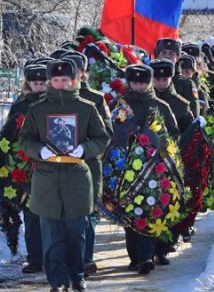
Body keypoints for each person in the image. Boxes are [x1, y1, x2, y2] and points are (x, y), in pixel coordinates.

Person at [19, 59, 110, 292]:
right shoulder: (37, 109)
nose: (60, 84)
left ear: (75, 80)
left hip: (77, 176)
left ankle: (77, 276)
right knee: (51, 234)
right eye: (56, 80)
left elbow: (102, 138)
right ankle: (57, 281)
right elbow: (25, 139)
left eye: (65, 80)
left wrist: (84, 150)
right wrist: (40, 150)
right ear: (50, 80)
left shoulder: (87, 108)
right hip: (47, 178)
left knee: (76, 232)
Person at [115, 64, 179, 276]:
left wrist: (159, 145)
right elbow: (112, 132)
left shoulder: (159, 106)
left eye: (143, 83)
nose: (139, 86)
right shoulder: (121, 105)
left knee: (151, 209)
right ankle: (135, 257)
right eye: (135, 82)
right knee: (130, 209)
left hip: (155, 168)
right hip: (126, 169)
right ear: (128, 82)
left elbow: (173, 135)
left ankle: (145, 257)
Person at [0, 63, 48, 273]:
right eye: (35, 83)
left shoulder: (54, 102)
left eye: (42, 83)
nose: (39, 87)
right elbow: (10, 134)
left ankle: (52, 256)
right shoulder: (20, 105)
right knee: (31, 214)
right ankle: (35, 258)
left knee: (50, 217)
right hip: (25, 166)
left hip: (50, 164)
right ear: (27, 83)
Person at [62, 51, 112, 277]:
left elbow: (106, 135)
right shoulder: (51, 99)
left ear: (84, 72)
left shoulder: (96, 99)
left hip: (87, 166)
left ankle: (85, 258)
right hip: (57, 167)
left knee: (87, 213)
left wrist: (85, 149)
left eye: (76, 70)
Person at [149, 59, 194, 265]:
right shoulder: (146, 100)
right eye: (157, 79)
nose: (160, 83)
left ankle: (164, 247)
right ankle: (147, 251)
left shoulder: (180, 104)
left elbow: (188, 134)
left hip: (171, 161)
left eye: (164, 79)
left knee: (168, 203)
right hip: (145, 162)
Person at [154, 38, 200, 117]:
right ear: (158, 55)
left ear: (178, 57)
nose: (167, 56)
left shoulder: (186, 83)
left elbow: (194, 113)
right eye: (164, 52)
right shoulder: (149, 79)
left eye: (171, 53)